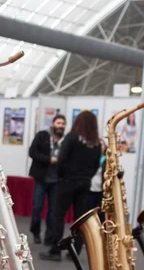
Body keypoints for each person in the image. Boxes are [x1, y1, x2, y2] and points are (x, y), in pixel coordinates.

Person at [39, 111, 101, 262]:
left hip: (67, 181)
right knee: (80, 218)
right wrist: (87, 177)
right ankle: (76, 251)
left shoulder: (72, 137)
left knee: (58, 215)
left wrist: (61, 175)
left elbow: (61, 159)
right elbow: (95, 165)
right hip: (85, 183)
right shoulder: (96, 142)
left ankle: (56, 250)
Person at [29, 114, 66, 244]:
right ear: (53, 124)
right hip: (41, 178)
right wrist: (48, 159)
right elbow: (32, 152)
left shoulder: (65, 141)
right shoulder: (42, 136)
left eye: (62, 124)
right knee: (37, 207)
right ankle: (36, 232)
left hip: (56, 181)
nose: (60, 126)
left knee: (53, 211)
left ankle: (49, 237)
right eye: (58, 123)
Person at [87, 138, 106, 220]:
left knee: (101, 214)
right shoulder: (90, 158)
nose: (101, 146)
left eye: (102, 144)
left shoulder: (107, 159)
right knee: (89, 212)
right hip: (90, 189)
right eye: (99, 144)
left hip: (102, 190)